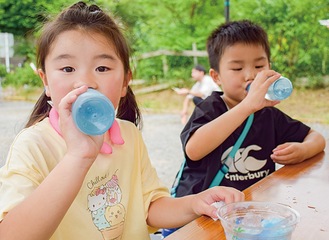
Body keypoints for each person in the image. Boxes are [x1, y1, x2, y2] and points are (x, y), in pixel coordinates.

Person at [0, 2, 244, 240]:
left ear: (126, 80)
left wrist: (194, 203)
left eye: (103, 68)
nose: (85, 82)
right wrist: (78, 157)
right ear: (45, 82)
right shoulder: (34, 145)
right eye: (67, 69)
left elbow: (149, 208)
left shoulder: (129, 135)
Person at [173, 20, 326, 198]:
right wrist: (246, 107)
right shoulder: (210, 108)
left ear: (269, 66)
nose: (250, 75)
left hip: (251, 209)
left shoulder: (269, 114)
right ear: (216, 77)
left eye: (259, 66)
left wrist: (303, 150)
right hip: (205, 212)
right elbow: (194, 150)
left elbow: (317, 138)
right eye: (237, 68)